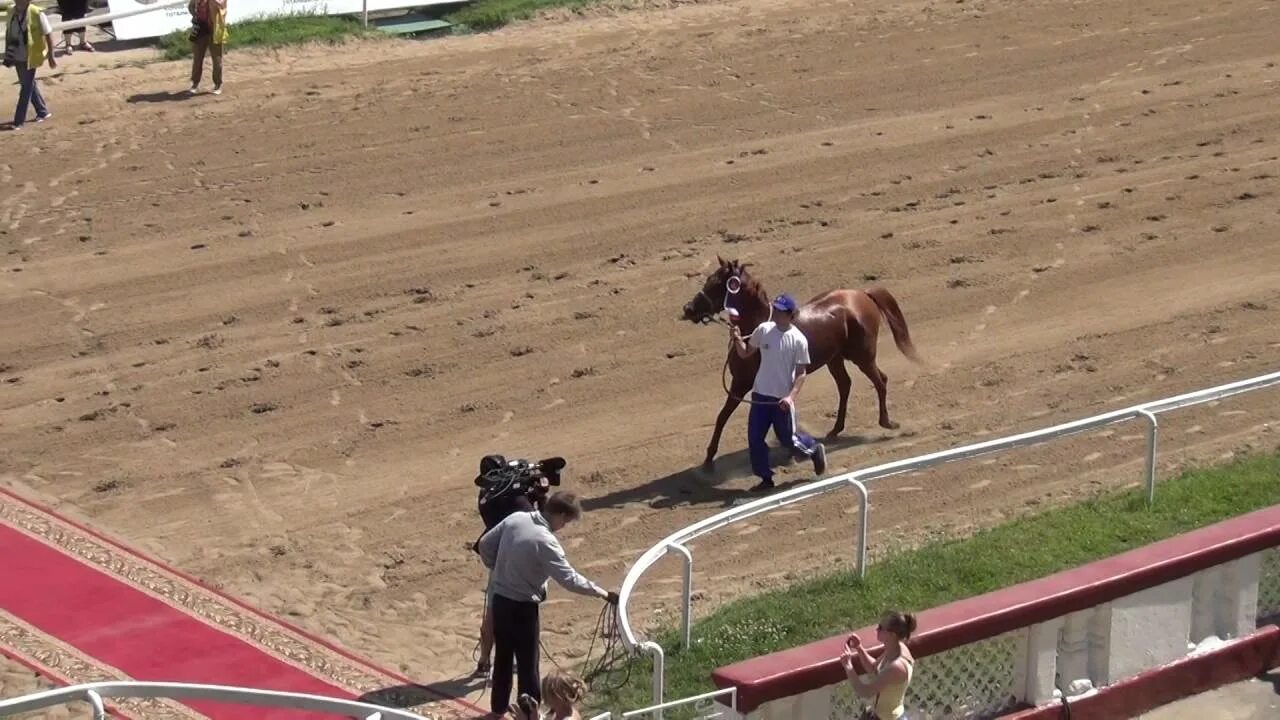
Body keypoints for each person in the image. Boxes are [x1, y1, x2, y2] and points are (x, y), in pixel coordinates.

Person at [476, 491, 617, 718]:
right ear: (560, 515)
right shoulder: (546, 541)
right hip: (523, 608)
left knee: (502, 658)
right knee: (528, 663)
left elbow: (484, 544)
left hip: (500, 601)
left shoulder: (516, 519)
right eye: (567, 521)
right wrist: (601, 592)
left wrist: (499, 566)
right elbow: (569, 579)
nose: (564, 526)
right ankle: (530, 715)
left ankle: (497, 711)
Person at [729, 292, 826, 492]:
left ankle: (814, 450)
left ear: (790, 315)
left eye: (781, 311)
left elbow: (801, 373)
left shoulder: (798, 340)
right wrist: (737, 339)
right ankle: (766, 478)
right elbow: (746, 353)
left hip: (781, 401)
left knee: (788, 440)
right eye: (776, 309)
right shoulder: (764, 330)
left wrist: (790, 397)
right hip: (760, 397)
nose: (775, 314)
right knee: (755, 440)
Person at [840, 611, 917, 720]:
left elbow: (865, 692)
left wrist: (848, 666)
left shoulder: (897, 666)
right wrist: (859, 648)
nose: (876, 629)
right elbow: (873, 667)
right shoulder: (893, 648)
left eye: (881, 627)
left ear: (892, 635)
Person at [4, 0, 56, 130]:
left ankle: (18, 121)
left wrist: (51, 55)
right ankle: (43, 112)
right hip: (17, 55)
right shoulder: (11, 11)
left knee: (26, 88)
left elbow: (48, 34)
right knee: (28, 84)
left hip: (31, 57)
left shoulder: (37, 13)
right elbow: (8, 32)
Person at [506, 671, 588, 720]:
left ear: (558, 697)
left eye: (546, 694)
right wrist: (536, 716)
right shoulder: (564, 712)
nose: (544, 698)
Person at [187, 0, 227, 95]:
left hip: (215, 30)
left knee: (217, 59)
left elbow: (221, 6)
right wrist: (195, 16)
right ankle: (195, 84)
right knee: (197, 58)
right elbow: (191, 6)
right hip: (200, 29)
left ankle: (217, 84)